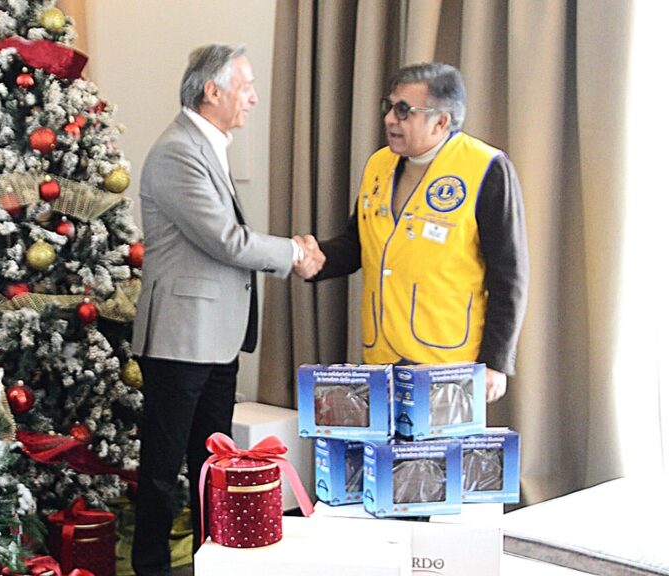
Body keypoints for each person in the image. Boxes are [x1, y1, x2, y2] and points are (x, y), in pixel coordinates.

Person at [129, 44, 323, 576]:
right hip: (180, 337)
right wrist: (294, 252)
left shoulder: (207, 145)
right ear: (212, 91)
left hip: (215, 336)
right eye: (246, 86)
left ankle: (212, 563)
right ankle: (150, 567)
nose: (254, 97)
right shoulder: (177, 151)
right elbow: (225, 240)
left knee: (212, 464)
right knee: (163, 469)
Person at [310, 62, 528, 403]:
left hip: (448, 363)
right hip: (381, 357)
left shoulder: (486, 168)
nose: (389, 119)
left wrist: (495, 362)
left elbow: (509, 274)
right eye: (389, 107)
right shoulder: (379, 164)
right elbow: (358, 244)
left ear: (441, 122)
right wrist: (310, 258)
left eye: (403, 111)